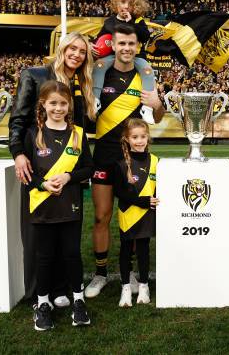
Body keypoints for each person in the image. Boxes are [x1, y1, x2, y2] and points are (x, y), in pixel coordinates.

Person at [9, 32, 96, 307]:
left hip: (69, 169)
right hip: (39, 167)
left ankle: (61, 288)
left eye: (82, 51)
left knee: (66, 235)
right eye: (72, 48)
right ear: (61, 48)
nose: (76, 54)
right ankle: (38, 294)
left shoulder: (81, 84)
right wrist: (18, 153)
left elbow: (77, 129)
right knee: (39, 236)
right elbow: (18, 118)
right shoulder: (34, 75)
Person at [85, 23, 165, 298]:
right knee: (101, 216)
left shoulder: (145, 76)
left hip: (134, 160)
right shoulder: (100, 74)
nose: (127, 48)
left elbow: (157, 118)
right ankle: (100, 273)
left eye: (131, 44)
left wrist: (157, 103)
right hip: (105, 157)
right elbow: (88, 116)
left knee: (133, 216)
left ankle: (129, 271)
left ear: (137, 47)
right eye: (121, 44)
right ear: (114, 45)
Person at [22, 80, 94, 330]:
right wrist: (42, 185)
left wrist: (68, 177)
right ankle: (43, 304)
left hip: (70, 205)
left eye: (63, 103)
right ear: (43, 104)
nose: (58, 108)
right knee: (44, 257)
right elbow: (27, 174)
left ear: (69, 105)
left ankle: (78, 301)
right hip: (42, 206)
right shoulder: (32, 134)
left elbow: (88, 167)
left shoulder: (78, 134)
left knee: (72, 254)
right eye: (53, 103)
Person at [92, 0, 156, 124]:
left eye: (130, 3)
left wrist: (131, 23)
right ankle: (95, 99)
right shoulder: (109, 22)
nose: (126, 6)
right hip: (113, 58)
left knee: (147, 70)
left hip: (136, 58)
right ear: (116, 3)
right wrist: (92, 46)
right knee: (99, 65)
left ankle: (147, 107)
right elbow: (99, 40)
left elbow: (145, 36)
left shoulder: (138, 20)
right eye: (122, 2)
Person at [113, 118, 159, 307]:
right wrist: (142, 201)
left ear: (148, 137)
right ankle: (125, 288)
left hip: (147, 215)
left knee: (143, 250)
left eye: (142, 136)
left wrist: (153, 200)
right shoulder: (121, 163)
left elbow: (158, 189)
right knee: (125, 250)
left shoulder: (156, 161)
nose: (139, 141)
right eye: (135, 137)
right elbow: (119, 192)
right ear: (127, 139)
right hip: (128, 213)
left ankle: (144, 286)